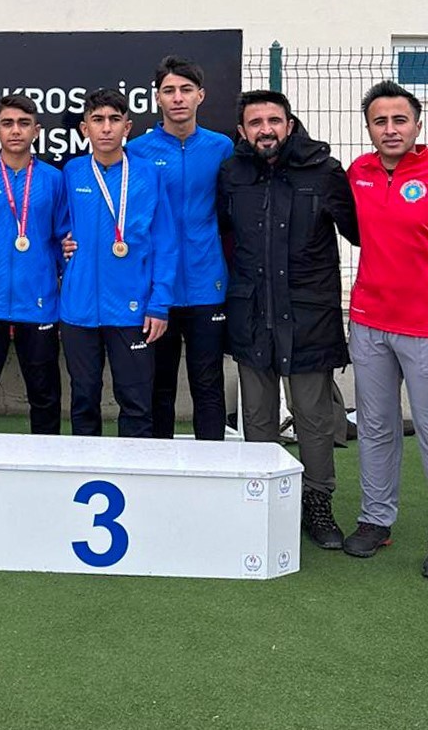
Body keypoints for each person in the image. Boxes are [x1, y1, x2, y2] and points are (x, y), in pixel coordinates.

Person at [217, 89, 359, 550]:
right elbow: (220, 234)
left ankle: (317, 505)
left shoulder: (324, 170)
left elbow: (362, 232)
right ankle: (262, 500)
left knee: (313, 417)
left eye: (273, 120)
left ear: (290, 124)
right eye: (255, 122)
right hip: (252, 312)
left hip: (308, 313)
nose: (265, 130)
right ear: (242, 131)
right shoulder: (232, 172)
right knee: (256, 416)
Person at [342, 80, 428, 572]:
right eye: (380, 121)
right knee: (375, 426)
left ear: (416, 124)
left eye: (400, 120)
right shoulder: (359, 172)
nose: (390, 129)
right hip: (369, 322)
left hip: (423, 325)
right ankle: (376, 519)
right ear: (369, 128)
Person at [128, 57, 234, 440]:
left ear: (200, 96)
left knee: (208, 386)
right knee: (159, 387)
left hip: (208, 285)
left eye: (186, 90)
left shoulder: (222, 147)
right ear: (157, 98)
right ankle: (163, 478)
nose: (178, 99)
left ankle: (213, 474)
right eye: (169, 91)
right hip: (159, 289)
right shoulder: (137, 151)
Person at [60, 88, 176, 438]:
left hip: (132, 308)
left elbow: (166, 243)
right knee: (83, 399)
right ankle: (84, 478)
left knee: (136, 402)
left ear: (128, 126)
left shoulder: (148, 175)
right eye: (98, 120)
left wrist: (159, 304)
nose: (106, 128)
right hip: (78, 309)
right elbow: (55, 227)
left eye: (114, 120)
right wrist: (62, 244)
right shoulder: (73, 172)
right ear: (85, 129)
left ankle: (135, 482)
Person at [0, 94, 68, 434]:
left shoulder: (54, 179)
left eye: (23, 124)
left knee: (45, 395)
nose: (16, 131)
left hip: (38, 303)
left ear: (36, 131)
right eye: (7, 124)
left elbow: (63, 238)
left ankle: (47, 465)